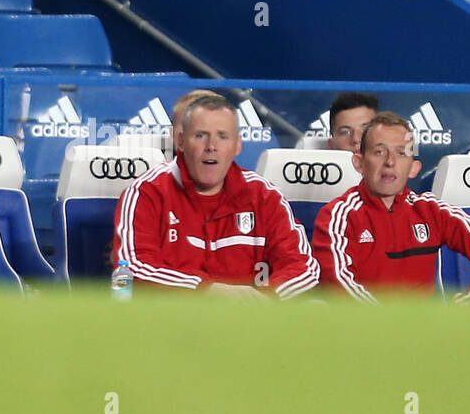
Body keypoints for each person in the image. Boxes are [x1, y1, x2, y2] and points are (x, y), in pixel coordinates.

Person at [114, 95, 320, 298]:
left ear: (237, 145)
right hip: (172, 321)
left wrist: (267, 296)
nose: (211, 146)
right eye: (200, 135)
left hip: (250, 322)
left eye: (223, 136)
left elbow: (304, 268)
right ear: (180, 141)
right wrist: (207, 290)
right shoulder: (147, 191)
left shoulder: (265, 195)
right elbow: (133, 268)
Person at [313, 111, 470, 302]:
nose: (390, 162)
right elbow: (337, 284)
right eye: (379, 152)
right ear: (359, 163)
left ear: (414, 168)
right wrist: (392, 325)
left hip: (425, 336)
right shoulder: (337, 215)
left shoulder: (431, 211)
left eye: (401, 153)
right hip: (364, 333)